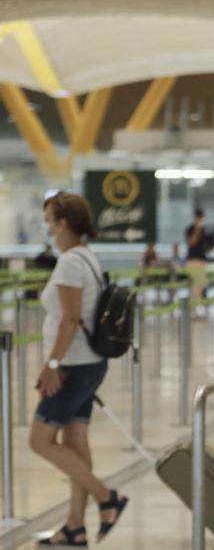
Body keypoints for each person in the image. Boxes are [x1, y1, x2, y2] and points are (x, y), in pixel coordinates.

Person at [29, 192, 129, 546]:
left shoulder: (71, 261)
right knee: (74, 441)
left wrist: (51, 364)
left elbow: (70, 318)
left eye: (49, 220)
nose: (47, 227)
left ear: (63, 223)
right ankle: (75, 525)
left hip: (72, 365)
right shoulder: (87, 257)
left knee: (39, 440)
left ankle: (107, 498)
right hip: (89, 363)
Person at [184, 208, 214, 302]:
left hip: (202, 260)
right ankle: (193, 305)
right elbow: (192, 242)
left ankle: (196, 304)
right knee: (196, 284)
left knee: (201, 284)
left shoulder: (205, 230)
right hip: (193, 260)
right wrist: (197, 230)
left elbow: (208, 246)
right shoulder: (190, 229)